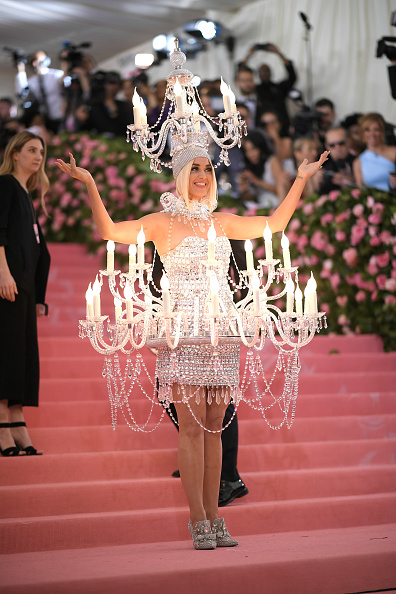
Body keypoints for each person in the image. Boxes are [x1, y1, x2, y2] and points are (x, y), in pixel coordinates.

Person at [56, 143, 328, 549]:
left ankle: (216, 517)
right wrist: (91, 184)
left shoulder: (223, 221)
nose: (202, 174)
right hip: (181, 334)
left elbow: (275, 224)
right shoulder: (161, 224)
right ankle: (197, 519)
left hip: (221, 333)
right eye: (194, 168)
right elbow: (110, 232)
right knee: (190, 430)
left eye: (207, 168)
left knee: (215, 429)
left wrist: (301, 179)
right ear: (181, 175)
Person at [0, 131, 51, 456]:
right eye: (31, 150)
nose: (38, 157)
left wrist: (38, 297)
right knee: (7, 350)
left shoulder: (25, 193)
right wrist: (2, 272)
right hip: (8, 283)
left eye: (41, 152)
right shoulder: (5, 184)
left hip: (25, 289)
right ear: (15, 153)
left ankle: (17, 418)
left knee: (23, 355)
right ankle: (3, 420)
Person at [241, 43, 297, 134]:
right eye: (261, 71)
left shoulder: (279, 88)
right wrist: (248, 56)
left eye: (266, 70)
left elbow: (292, 77)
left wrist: (279, 54)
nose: (264, 73)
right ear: (258, 74)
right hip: (261, 126)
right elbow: (242, 74)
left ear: (270, 73)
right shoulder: (255, 89)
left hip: (282, 125)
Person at [15, 51, 65, 134]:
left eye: (37, 61)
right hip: (45, 119)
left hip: (60, 115)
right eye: (32, 61)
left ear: (46, 61)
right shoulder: (32, 81)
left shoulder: (56, 75)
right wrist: (21, 69)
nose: (35, 64)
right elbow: (22, 93)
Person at [239, 130, 288, 209]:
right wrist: (244, 191)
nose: (250, 154)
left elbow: (283, 190)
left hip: (276, 207)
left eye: (253, 149)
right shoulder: (249, 168)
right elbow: (252, 198)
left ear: (260, 148)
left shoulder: (272, 161)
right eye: (247, 151)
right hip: (259, 208)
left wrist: (257, 182)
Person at [353, 112, 396, 192]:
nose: (372, 134)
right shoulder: (358, 162)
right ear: (362, 133)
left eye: (376, 130)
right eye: (367, 130)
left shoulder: (394, 152)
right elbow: (360, 191)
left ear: (382, 131)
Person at [318, 127, 356, 194]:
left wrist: (351, 183)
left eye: (341, 143)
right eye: (332, 145)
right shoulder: (323, 167)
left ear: (349, 142)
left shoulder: (360, 162)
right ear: (327, 146)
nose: (337, 148)